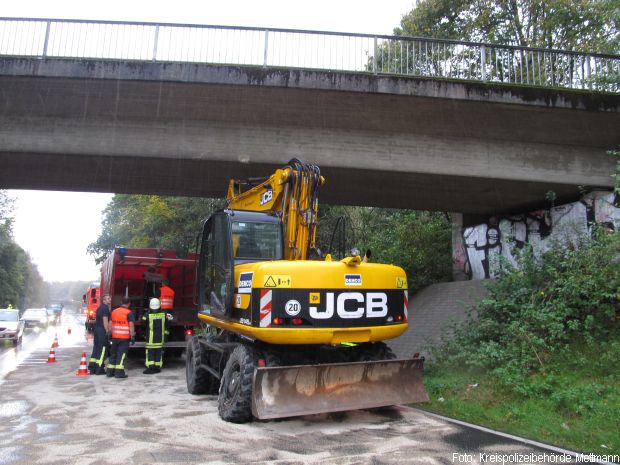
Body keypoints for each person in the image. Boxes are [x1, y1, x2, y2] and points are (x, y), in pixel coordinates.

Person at [106, 297, 135, 379]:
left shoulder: (114, 311)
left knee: (113, 354)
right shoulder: (129, 312)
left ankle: (110, 372)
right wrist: (132, 336)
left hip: (114, 337)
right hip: (124, 338)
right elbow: (131, 325)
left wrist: (109, 333)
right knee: (121, 355)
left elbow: (110, 323)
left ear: (121, 302)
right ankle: (119, 373)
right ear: (129, 303)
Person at [142, 298, 170, 374]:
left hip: (150, 339)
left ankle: (151, 367)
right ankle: (157, 367)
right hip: (160, 339)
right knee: (158, 353)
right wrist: (166, 336)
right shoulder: (164, 314)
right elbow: (167, 325)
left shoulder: (147, 315)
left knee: (150, 353)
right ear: (159, 305)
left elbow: (143, 323)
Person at [88, 294, 111, 375]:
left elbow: (97, 320)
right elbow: (105, 320)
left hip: (97, 330)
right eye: (108, 299)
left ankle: (92, 367)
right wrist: (107, 331)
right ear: (104, 300)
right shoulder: (105, 309)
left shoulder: (99, 308)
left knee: (96, 348)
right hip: (102, 330)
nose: (110, 300)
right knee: (103, 349)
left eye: (109, 298)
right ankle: (99, 368)